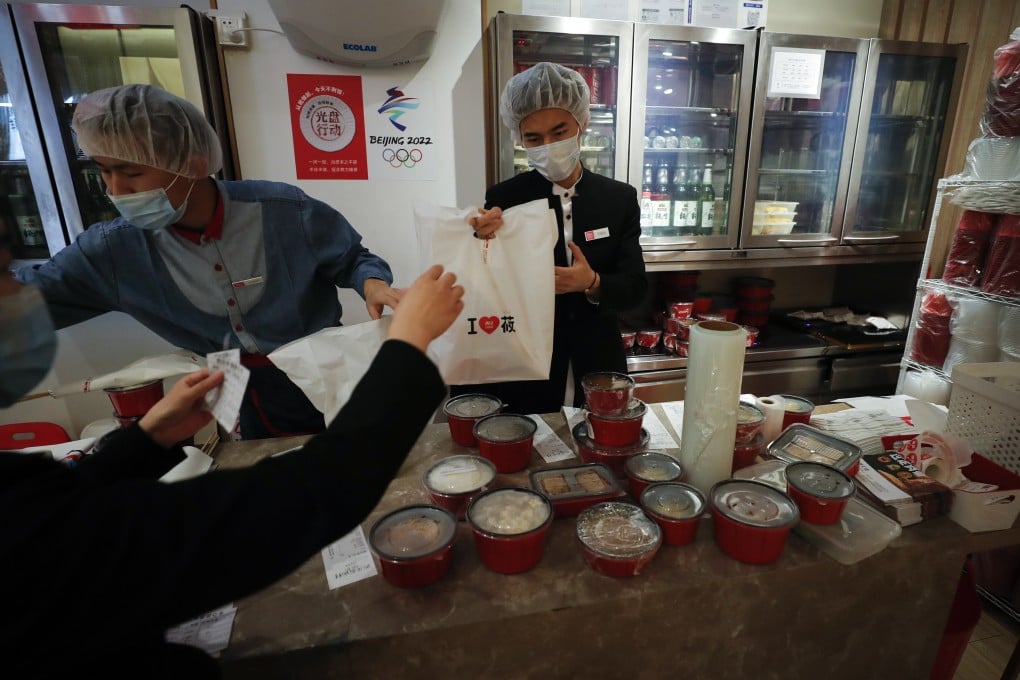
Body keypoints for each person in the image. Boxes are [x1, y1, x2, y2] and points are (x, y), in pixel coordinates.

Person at [1, 201, 465, 676]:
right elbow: (315, 489)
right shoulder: (110, 245)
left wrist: (144, 441)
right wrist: (409, 344)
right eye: (5, 279)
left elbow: (66, 504)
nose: (23, 292)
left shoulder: (280, 207)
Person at [16, 83, 402, 439]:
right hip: (232, 383)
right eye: (104, 172)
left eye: (132, 173)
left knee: (352, 457)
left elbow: (351, 257)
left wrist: (372, 284)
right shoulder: (112, 251)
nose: (116, 190)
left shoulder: (283, 211)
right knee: (265, 473)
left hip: (323, 366)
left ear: (193, 166)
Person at [452, 62, 648, 414]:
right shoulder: (506, 197)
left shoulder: (618, 198)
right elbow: (487, 283)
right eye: (534, 138)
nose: (548, 146)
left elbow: (635, 287)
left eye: (559, 132)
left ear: (582, 123)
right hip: (528, 358)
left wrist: (593, 282)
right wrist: (479, 238)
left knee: (595, 443)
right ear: (519, 138)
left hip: (597, 358)